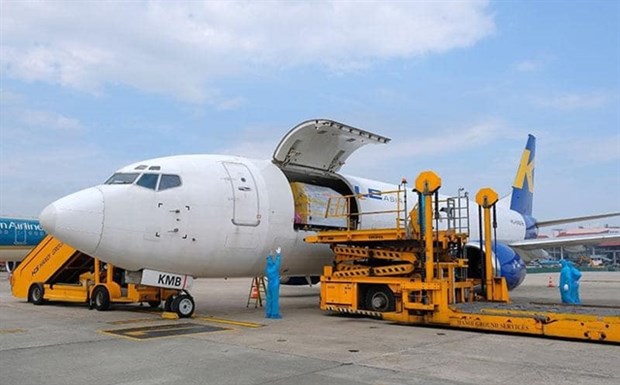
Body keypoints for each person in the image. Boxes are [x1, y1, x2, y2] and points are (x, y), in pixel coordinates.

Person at [265, 247, 282, 319]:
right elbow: (278, 263)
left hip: (270, 284)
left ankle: (268, 313)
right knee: (275, 299)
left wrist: (270, 255)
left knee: (269, 298)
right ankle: (275, 314)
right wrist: (278, 254)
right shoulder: (274, 267)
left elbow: (270, 261)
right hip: (275, 284)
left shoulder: (267, 268)